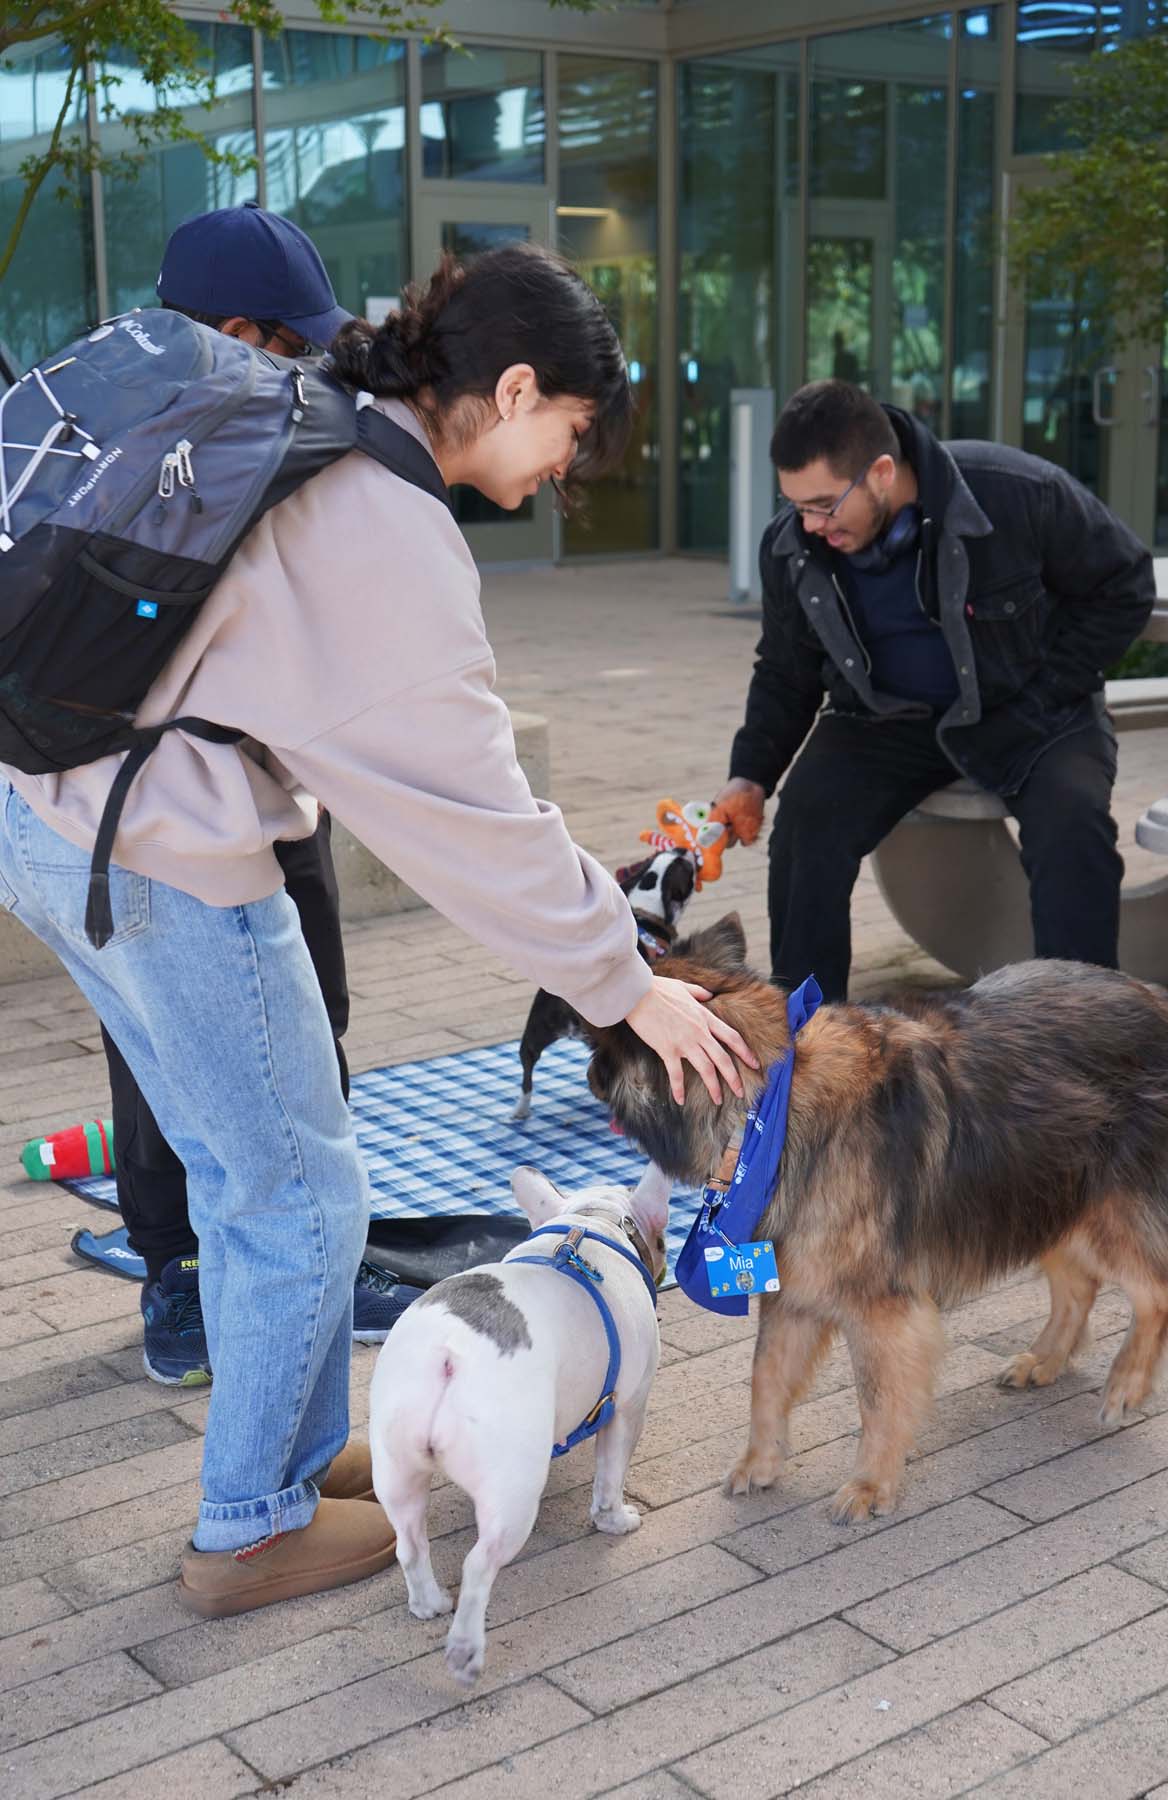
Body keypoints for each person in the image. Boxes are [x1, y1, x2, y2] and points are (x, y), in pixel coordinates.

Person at [0, 241, 756, 1617]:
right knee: (300, 1193)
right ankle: (246, 1535)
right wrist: (625, 983)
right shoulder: (383, 527)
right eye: (573, 436)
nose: (568, 472)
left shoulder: (321, 422)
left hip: (49, 815)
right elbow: (480, 822)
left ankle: (285, 1464)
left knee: (247, 1171)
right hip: (162, 854)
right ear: (514, 387)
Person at [104, 200, 412, 1390]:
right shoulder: (136, 434)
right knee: (164, 1037)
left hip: (273, 773)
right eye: (298, 341)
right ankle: (178, 1273)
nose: (314, 362)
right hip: (150, 799)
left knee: (308, 1003)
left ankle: (312, 1256)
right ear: (240, 329)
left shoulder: (259, 414)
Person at [711, 379, 1155, 1001]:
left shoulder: (1017, 491)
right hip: (884, 718)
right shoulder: (791, 547)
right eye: (796, 506)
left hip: (1032, 708)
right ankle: (809, 1047)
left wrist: (1052, 688)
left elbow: (1126, 581)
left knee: (1071, 829)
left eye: (823, 505)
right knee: (805, 828)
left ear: (882, 472)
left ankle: (1082, 1042)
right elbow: (786, 670)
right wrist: (750, 776)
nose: (809, 526)